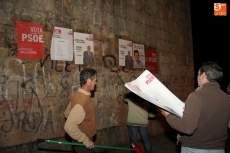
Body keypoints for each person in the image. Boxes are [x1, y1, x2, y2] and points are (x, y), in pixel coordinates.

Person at [161, 61, 230, 153]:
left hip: (195, 148)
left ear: (203, 75)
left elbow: (188, 128)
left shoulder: (196, 96)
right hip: (219, 149)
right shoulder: (226, 98)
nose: (197, 77)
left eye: (198, 74)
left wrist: (168, 116)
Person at [64, 68, 97, 152]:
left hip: (79, 141)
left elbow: (67, 113)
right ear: (89, 81)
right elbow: (69, 127)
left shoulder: (78, 94)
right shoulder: (82, 101)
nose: (96, 83)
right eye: (95, 80)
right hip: (82, 144)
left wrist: (79, 123)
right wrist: (85, 140)